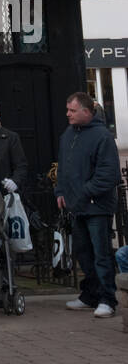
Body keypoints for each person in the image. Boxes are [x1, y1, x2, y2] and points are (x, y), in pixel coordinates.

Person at [55, 91, 121, 318]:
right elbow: (62, 166)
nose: (68, 114)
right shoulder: (68, 135)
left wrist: (84, 192)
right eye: (68, 110)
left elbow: (109, 174)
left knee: (101, 253)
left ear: (86, 111)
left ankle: (107, 299)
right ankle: (90, 295)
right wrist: (60, 190)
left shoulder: (102, 136)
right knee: (83, 253)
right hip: (77, 205)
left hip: (97, 206)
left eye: (72, 111)